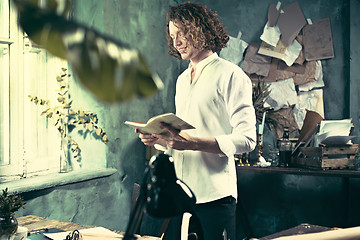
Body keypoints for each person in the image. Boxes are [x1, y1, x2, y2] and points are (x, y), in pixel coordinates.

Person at [137, 2, 256, 240]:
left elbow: (247, 140)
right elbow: (183, 136)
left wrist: (193, 144)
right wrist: (159, 140)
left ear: (200, 30)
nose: (176, 41)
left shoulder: (231, 75)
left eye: (182, 33)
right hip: (180, 193)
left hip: (215, 195)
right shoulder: (182, 80)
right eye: (173, 36)